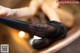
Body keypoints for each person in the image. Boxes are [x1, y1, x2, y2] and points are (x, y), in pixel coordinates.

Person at [0, 0, 74, 50]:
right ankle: (48, 38)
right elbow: (31, 11)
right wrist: (11, 12)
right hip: (52, 28)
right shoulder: (36, 1)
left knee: (46, 6)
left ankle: (56, 28)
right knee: (42, 4)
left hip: (67, 20)